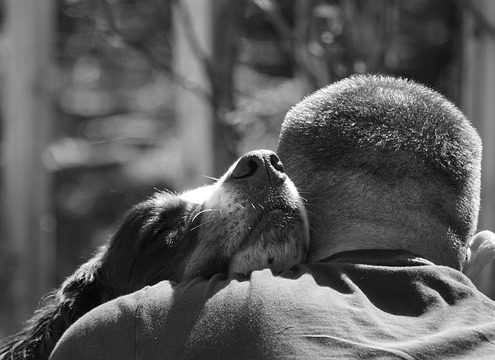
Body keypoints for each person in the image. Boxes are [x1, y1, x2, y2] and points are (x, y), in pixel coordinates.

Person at [49, 75, 495, 359]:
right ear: (469, 256)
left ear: (315, 220)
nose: (258, 166)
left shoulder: (125, 333)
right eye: (162, 231)